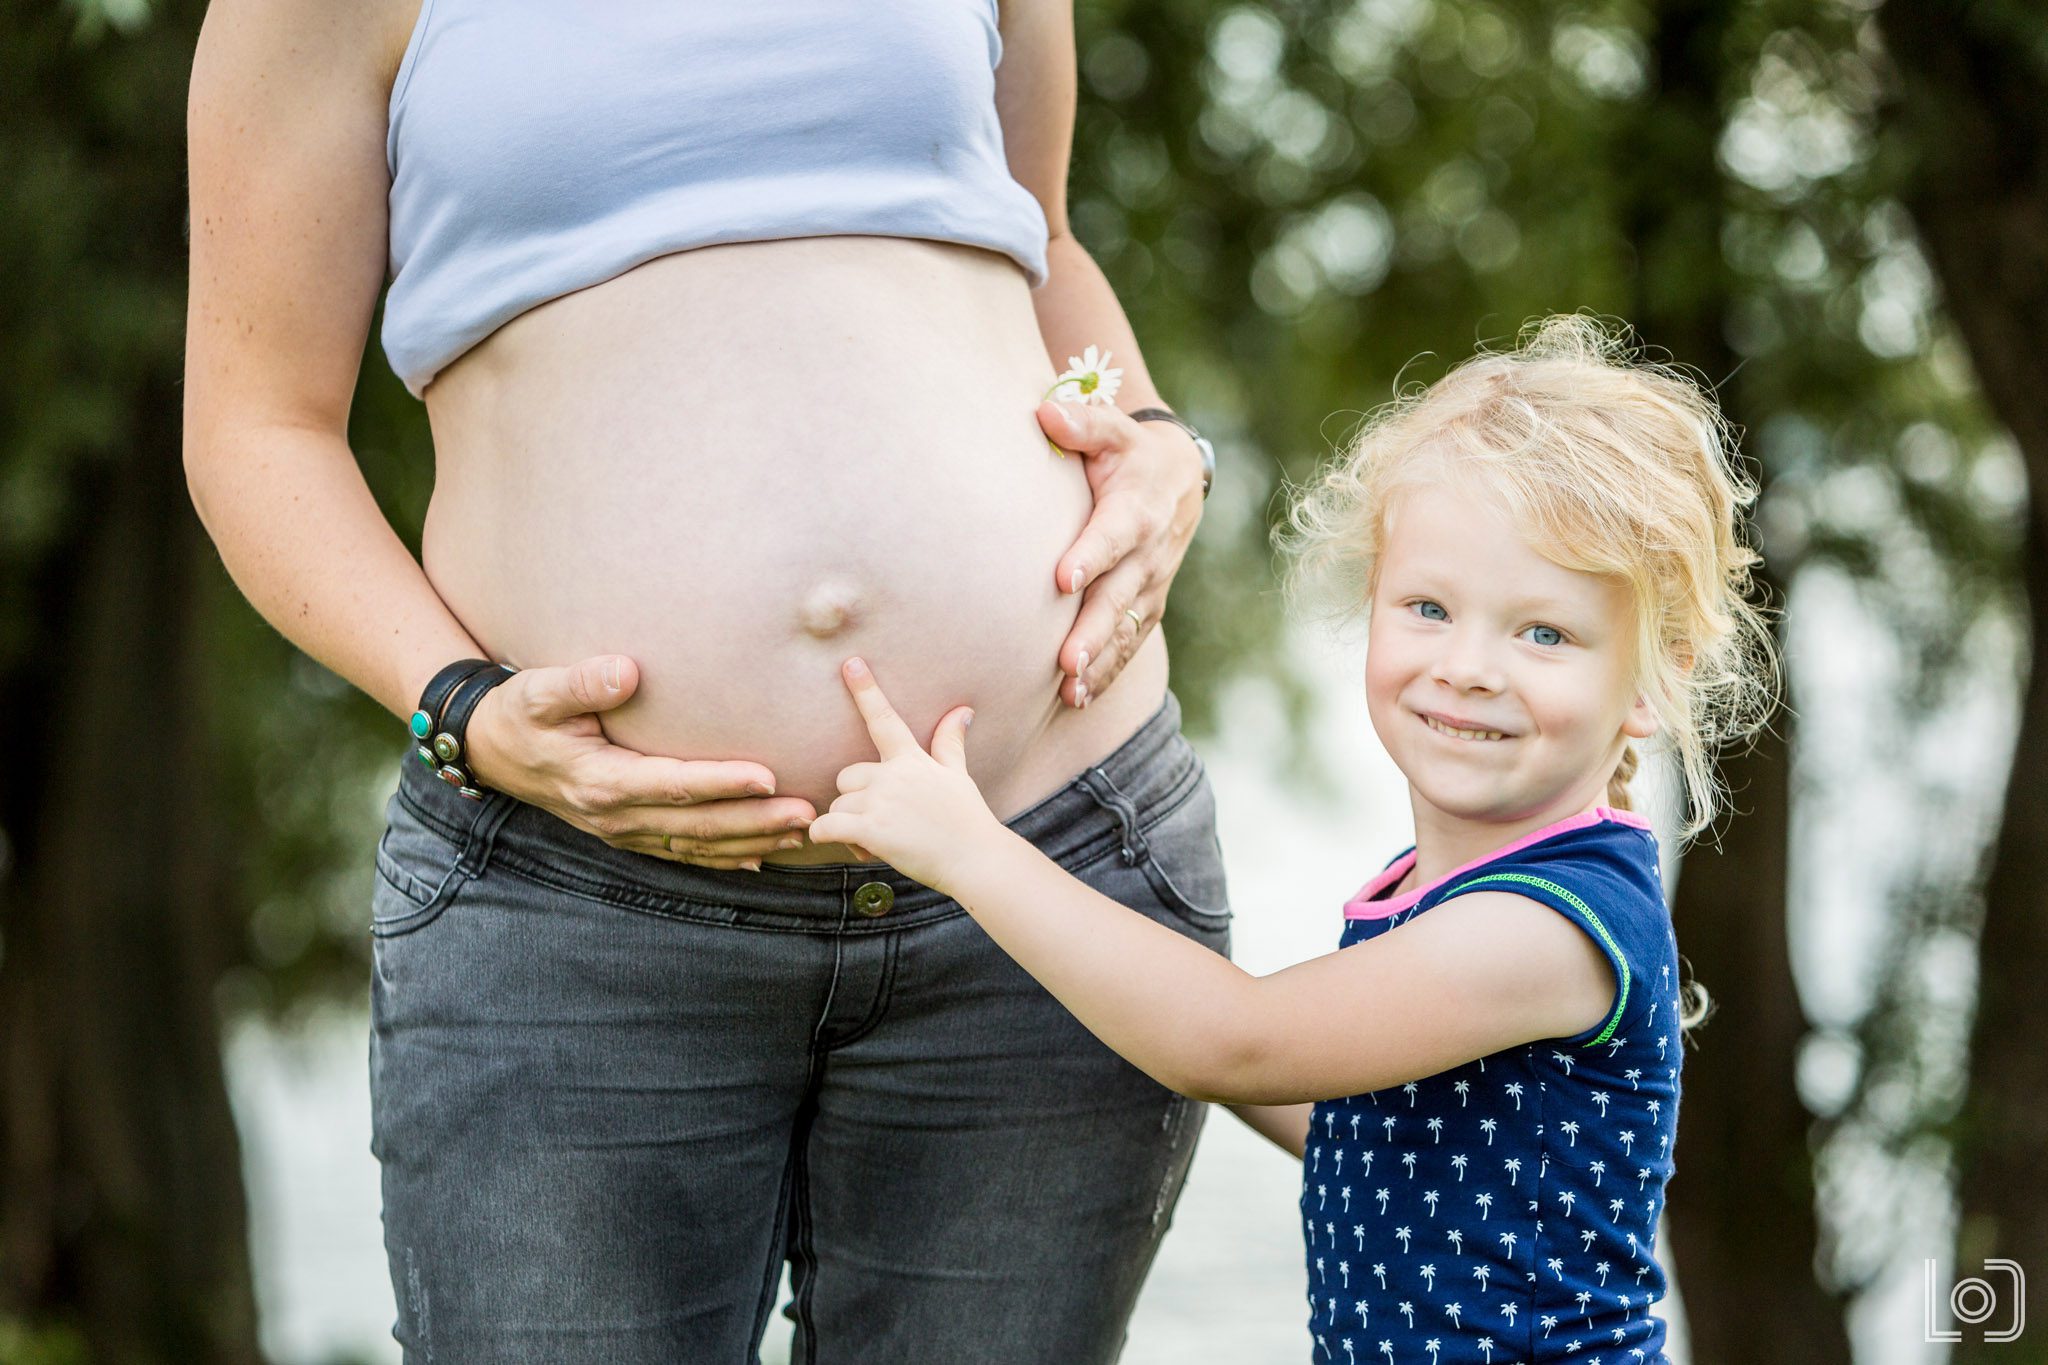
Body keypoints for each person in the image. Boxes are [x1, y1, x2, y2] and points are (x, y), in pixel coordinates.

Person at [182, 2, 1229, 1361]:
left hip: (1047, 860)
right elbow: (257, 421)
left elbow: (1037, 236)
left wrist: (1155, 436)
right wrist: (458, 707)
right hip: (579, 913)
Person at [806, 316, 1777, 1362]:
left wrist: (971, 850)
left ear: (1654, 677)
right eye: (1427, 608)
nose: (1468, 666)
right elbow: (1375, 1126)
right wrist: (1115, 986)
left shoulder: (1542, 927)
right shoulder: (1448, 888)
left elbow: (1242, 1040)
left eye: (1542, 633)